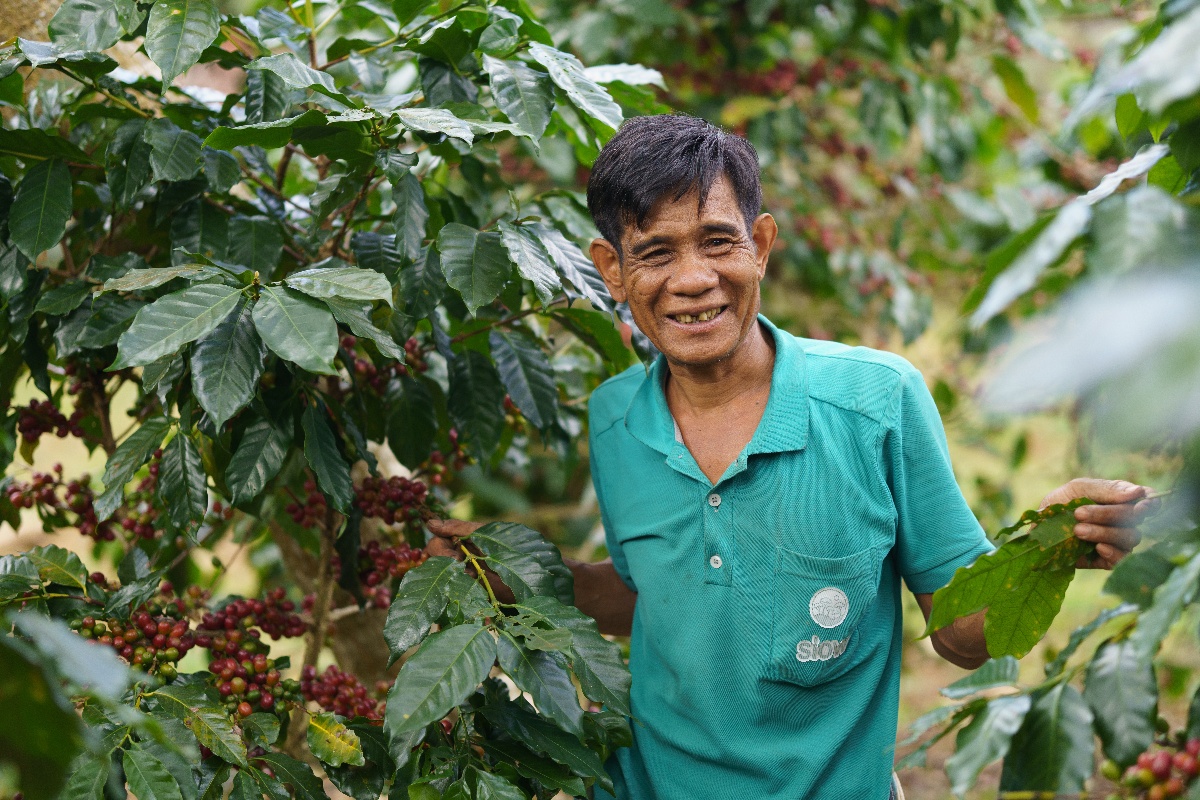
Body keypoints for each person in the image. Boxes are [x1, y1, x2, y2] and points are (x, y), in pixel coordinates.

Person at [425, 114, 1156, 800]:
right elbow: (654, 590)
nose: (691, 280)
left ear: (762, 244)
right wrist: (502, 572)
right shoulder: (616, 418)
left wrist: (1047, 546)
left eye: (718, 241)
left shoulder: (876, 402)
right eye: (655, 253)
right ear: (612, 273)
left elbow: (966, 639)